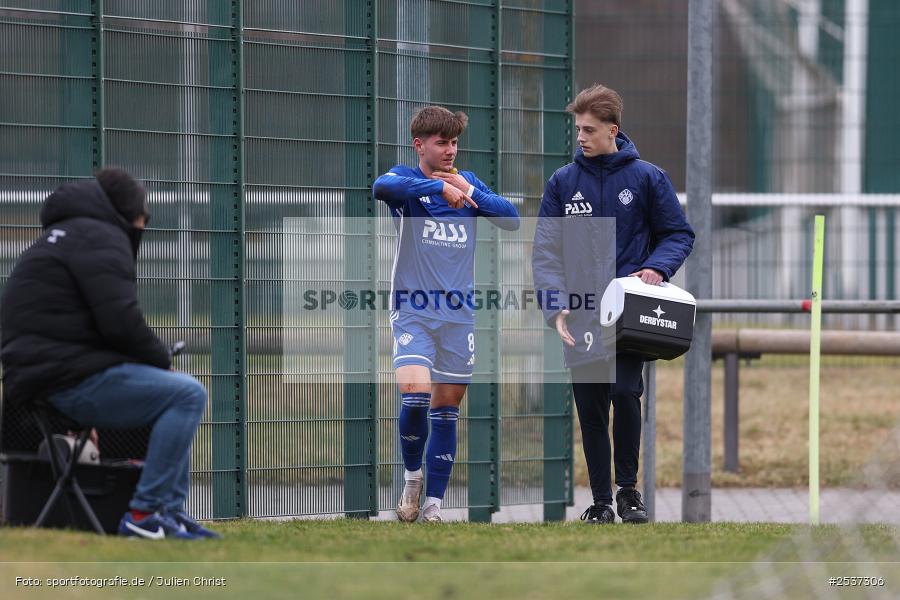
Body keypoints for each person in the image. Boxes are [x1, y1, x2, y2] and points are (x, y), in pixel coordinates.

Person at [1, 168, 219, 540]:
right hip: (66, 381)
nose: (143, 224)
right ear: (130, 213)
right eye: (144, 217)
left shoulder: (61, 237)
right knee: (187, 393)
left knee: (174, 390)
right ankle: (146, 513)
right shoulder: (101, 238)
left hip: (39, 378)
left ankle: (170, 513)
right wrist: (160, 356)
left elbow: (78, 326)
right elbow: (120, 321)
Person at [532, 84, 694, 524]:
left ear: (613, 131)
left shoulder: (647, 177)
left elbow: (678, 234)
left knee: (624, 391)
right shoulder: (563, 182)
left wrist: (656, 268)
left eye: (589, 129)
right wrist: (555, 305)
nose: (581, 137)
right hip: (580, 313)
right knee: (590, 407)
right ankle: (601, 501)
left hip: (627, 313)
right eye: (578, 129)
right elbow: (546, 251)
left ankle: (628, 492)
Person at [372, 106, 520, 522]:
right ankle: (413, 476)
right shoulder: (407, 180)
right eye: (442, 142)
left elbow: (509, 218)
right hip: (412, 310)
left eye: (454, 142)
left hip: (459, 316)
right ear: (420, 144)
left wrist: (466, 191)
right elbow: (381, 188)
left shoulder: (467, 182)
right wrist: (438, 190)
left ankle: (434, 506)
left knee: (447, 407)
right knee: (415, 393)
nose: (450, 149)